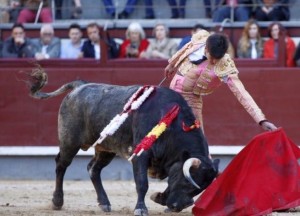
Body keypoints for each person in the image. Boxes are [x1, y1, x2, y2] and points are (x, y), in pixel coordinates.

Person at [164, 29, 277, 132]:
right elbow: (187, 48)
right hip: (171, 92)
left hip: (191, 100)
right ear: (206, 48)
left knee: (196, 139)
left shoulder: (225, 64)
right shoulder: (201, 38)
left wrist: (261, 119)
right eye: (211, 57)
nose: (213, 61)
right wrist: (172, 64)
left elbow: (241, 93)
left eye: (217, 59)